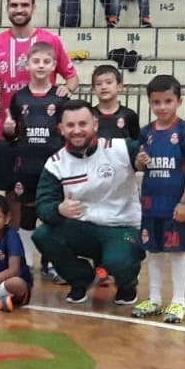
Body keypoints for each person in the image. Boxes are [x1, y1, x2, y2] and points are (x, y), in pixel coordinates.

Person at [32, 100, 144, 306]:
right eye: (70, 125)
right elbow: (43, 204)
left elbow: (151, 149)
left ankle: (127, 284)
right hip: (82, 229)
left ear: (95, 125)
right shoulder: (56, 163)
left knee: (118, 263)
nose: (77, 131)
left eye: (82, 124)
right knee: (43, 235)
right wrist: (58, 209)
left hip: (120, 228)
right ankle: (80, 279)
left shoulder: (121, 148)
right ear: (61, 129)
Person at [0, 0, 79, 195]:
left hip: (47, 134)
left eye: (24, 5)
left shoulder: (51, 40)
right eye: (14, 5)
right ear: (7, 8)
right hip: (9, 131)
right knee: (12, 193)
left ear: (33, 8)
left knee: (50, 192)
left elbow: (72, 76)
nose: (19, 9)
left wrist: (66, 90)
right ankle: (17, 230)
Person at [132, 75, 185, 323]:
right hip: (151, 205)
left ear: (179, 102)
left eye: (168, 101)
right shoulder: (146, 133)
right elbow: (140, 165)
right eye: (156, 102)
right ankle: (154, 298)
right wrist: (140, 162)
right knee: (154, 252)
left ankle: (179, 301)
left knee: (177, 253)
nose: (162, 107)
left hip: (175, 206)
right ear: (150, 102)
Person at [3, 42, 66, 273]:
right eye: (36, 61)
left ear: (54, 66)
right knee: (27, 214)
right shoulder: (19, 98)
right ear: (27, 65)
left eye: (46, 61)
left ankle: (51, 262)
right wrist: (9, 132)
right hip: (26, 167)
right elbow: (13, 136)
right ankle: (27, 262)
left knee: (52, 215)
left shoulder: (60, 98)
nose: (41, 65)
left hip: (53, 169)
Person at [91, 64, 140, 140]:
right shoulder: (89, 115)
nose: (104, 87)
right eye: (99, 84)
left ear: (119, 87)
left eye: (109, 82)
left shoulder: (129, 115)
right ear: (94, 89)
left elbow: (135, 143)